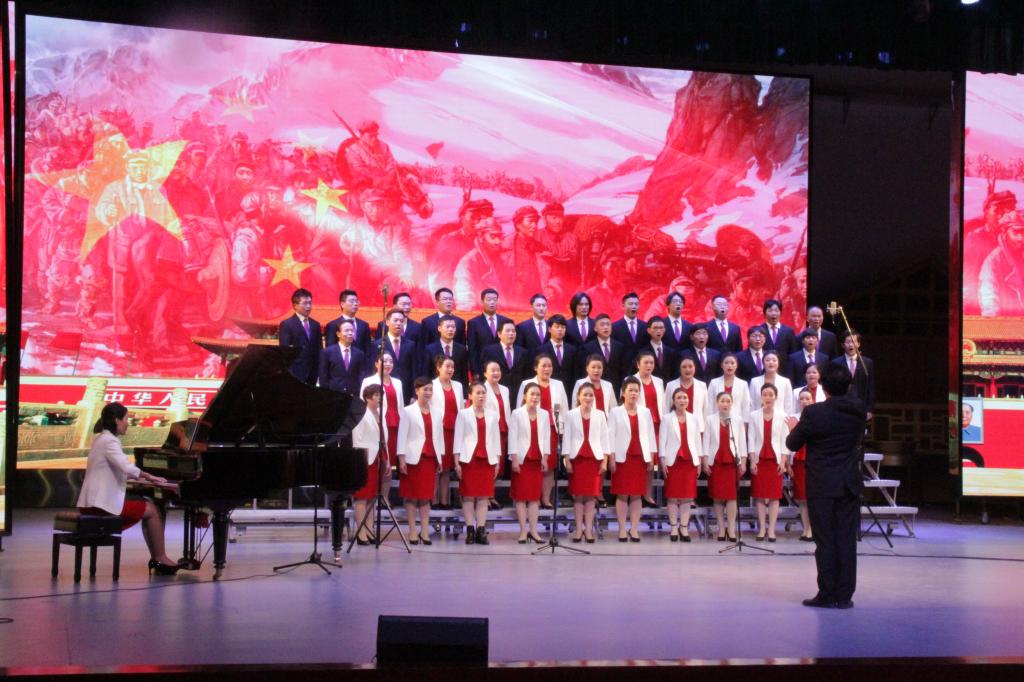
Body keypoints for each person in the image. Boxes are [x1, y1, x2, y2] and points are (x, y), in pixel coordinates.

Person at [786, 365, 867, 609]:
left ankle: (827, 593)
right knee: (846, 539)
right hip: (848, 483)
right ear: (849, 386)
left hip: (822, 484)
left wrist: (793, 428)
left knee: (825, 541)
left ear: (823, 387)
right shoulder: (858, 410)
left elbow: (792, 443)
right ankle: (844, 596)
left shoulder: (814, 413)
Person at [77, 402, 179, 574]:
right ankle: (160, 557)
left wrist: (142, 479)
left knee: (147, 508)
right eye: (126, 419)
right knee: (152, 510)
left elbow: (116, 471)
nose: (127, 423)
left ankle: (157, 558)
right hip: (99, 507)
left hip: (91, 503)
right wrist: (150, 477)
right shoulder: (110, 441)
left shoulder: (101, 439)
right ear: (116, 420)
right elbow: (126, 467)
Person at [516, 354, 569, 508]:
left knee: (549, 465)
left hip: (552, 428)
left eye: (550, 366)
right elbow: (519, 407)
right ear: (536, 368)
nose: (547, 369)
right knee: (534, 465)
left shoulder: (558, 384)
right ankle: (534, 497)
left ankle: (545, 498)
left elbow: (564, 408)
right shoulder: (526, 384)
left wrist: (563, 429)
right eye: (543, 366)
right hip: (531, 429)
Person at [608, 377, 657, 542]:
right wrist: (611, 458)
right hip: (622, 458)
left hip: (640, 458)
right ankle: (622, 529)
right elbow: (610, 436)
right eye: (631, 390)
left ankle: (634, 529)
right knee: (622, 494)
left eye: (636, 390)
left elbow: (650, 435)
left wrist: (651, 457)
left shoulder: (645, 412)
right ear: (623, 393)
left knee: (637, 494)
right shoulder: (615, 412)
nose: (634, 393)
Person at [397, 378, 445, 545]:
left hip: (430, 458)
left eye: (430, 389)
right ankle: (412, 531)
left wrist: (440, 458)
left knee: (426, 496)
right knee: (411, 496)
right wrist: (401, 458)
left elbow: (439, 436)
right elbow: (402, 436)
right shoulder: (408, 411)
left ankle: (424, 531)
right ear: (417, 391)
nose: (428, 392)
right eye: (425, 389)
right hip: (412, 459)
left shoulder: (437, 412)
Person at [563, 382, 611, 543]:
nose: (588, 398)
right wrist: (567, 459)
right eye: (585, 395)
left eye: (591, 395)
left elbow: (604, 438)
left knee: (591, 497)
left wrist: (605, 460)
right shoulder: (571, 414)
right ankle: (578, 530)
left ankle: (589, 530)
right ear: (578, 396)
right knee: (578, 497)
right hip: (577, 459)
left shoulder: (600, 415)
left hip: (594, 459)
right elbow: (567, 438)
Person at [456, 382, 502, 545]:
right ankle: (470, 529)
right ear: (470, 395)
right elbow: (458, 439)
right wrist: (456, 462)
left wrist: (497, 461)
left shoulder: (492, 415)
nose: (481, 395)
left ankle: (481, 530)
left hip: (487, 459)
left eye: (483, 392)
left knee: (483, 495)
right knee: (468, 495)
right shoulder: (463, 414)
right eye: (478, 393)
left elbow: (496, 439)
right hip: (469, 459)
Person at [747, 384, 791, 542]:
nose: (768, 397)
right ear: (761, 397)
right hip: (759, 460)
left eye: (770, 395)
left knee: (774, 497)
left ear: (776, 397)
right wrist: (752, 461)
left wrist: (783, 462)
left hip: (775, 461)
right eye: (765, 394)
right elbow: (751, 439)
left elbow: (785, 441)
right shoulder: (753, 415)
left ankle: (771, 529)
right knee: (759, 496)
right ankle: (761, 529)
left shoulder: (782, 416)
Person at [702, 392, 748, 542]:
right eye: (722, 401)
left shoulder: (737, 420)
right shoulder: (710, 419)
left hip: (732, 462)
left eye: (728, 401)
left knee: (731, 496)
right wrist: (705, 461)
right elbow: (706, 441)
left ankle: (731, 529)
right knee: (717, 496)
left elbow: (742, 442)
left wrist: (743, 461)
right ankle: (721, 528)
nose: (725, 404)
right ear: (717, 403)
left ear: (732, 403)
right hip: (716, 462)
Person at [509, 382, 551, 543]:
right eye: (532, 394)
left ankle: (534, 531)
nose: (535, 397)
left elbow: (546, 437)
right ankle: (523, 531)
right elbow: (512, 438)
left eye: (538, 394)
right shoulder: (517, 413)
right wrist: (514, 459)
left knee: (534, 497)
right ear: (525, 396)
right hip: (521, 460)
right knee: (521, 497)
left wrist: (545, 458)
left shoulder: (544, 414)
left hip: (536, 460)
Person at [659, 388, 703, 542]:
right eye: (679, 397)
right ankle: (673, 527)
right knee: (672, 496)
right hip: (673, 461)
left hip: (689, 462)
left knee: (687, 497)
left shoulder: (693, 418)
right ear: (673, 401)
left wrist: (699, 461)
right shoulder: (667, 418)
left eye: (685, 397)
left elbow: (697, 441)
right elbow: (662, 441)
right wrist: (662, 459)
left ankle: (684, 527)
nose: (682, 400)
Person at [351, 385, 387, 545]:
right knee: (362, 497)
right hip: (365, 460)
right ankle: (361, 532)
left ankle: (370, 529)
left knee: (372, 497)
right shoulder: (361, 414)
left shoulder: (380, 414)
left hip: (378, 459)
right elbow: (357, 440)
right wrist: (362, 460)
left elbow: (384, 439)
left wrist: (386, 459)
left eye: (381, 395)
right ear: (367, 397)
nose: (380, 398)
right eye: (376, 395)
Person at [431, 356, 464, 510]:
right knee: (437, 467)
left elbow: (461, 409)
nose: (450, 369)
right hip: (438, 431)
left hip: (454, 431)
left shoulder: (458, 386)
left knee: (447, 468)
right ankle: (433, 500)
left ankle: (444, 501)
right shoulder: (432, 385)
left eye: (452, 367)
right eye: (447, 366)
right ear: (439, 368)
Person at [632, 349, 665, 505]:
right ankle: (636, 492)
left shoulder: (658, 381)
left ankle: (647, 493)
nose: (649, 365)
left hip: (656, 425)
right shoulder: (631, 380)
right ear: (638, 364)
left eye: (651, 363)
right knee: (639, 460)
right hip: (638, 426)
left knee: (651, 461)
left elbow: (663, 404)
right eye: (646, 362)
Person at [360, 352, 403, 470]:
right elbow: (362, 405)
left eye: (391, 361)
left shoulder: (398, 382)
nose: (388, 364)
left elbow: (401, 406)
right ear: (376, 364)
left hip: (395, 423)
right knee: (378, 458)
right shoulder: (368, 381)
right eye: (384, 361)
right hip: (377, 423)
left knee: (390, 462)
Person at [785, 388, 816, 541]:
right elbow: (788, 442)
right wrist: (788, 463)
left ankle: (812, 529)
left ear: (812, 400)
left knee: (812, 496)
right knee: (802, 498)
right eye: (802, 399)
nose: (804, 401)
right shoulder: (793, 418)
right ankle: (805, 529)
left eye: (807, 398)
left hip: (813, 460)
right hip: (798, 460)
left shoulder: (817, 417)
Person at [278, 287, 321, 386]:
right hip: (295, 373)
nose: (308, 306)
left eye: (310, 303)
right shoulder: (287, 324)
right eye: (305, 303)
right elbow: (285, 351)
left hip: (313, 374)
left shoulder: (315, 325)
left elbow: (319, 350)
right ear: (295, 305)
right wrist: (290, 373)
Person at [481, 320, 530, 405]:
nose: (511, 333)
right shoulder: (489, 351)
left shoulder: (523, 352)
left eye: (513, 331)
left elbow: (526, 374)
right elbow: (483, 373)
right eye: (507, 331)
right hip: (496, 393)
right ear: (499, 334)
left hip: (518, 393)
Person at [467, 288, 512, 377]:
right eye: (489, 299)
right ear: (482, 301)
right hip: (483, 369)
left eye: (494, 300)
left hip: (503, 369)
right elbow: (472, 351)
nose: (492, 302)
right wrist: (475, 373)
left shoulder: (506, 321)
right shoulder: (474, 323)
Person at [580, 313, 627, 395]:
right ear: (595, 328)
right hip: (594, 389)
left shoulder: (620, 347)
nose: (606, 327)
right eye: (602, 325)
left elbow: (624, 370)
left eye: (608, 324)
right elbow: (584, 371)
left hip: (616, 388)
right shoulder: (587, 348)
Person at [832, 331, 875, 420]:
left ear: (858, 344)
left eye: (853, 341)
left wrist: (869, 409)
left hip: (861, 407)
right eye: (848, 342)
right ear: (843, 345)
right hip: (841, 407)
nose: (851, 345)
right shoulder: (835, 363)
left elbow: (871, 387)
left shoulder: (867, 363)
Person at [373, 308, 418, 391]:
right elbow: (373, 369)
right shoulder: (378, 344)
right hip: (384, 388)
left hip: (406, 388)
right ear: (387, 322)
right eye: (395, 320)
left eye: (401, 321)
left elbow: (414, 370)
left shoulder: (411, 345)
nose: (399, 323)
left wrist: (414, 393)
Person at [507, 206, 544, 303]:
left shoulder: (540, 247)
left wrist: (553, 287)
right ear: (518, 224)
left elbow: (552, 273)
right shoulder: (507, 247)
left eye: (535, 222)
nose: (534, 226)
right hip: (515, 300)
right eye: (530, 221)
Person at [318, 319, 365, 395]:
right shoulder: (327, 352)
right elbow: (323, 377)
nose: (350, 333)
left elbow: (361, 375)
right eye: (347, 330)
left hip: (353, 394)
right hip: (333, 394)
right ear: (338, 334)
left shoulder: (359, 354)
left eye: (352, 330)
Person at [421, 314, 469, 387]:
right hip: (436, 388)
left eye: (453, 327)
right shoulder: (430, 349)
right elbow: (426, 373)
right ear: (439, 328)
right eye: (447, 327)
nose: (450, 329)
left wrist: (464, 392)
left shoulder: (462, 349)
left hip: (456, 388)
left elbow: (464, 375)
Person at [664, 356, 708, 436]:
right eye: (684, 367)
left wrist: (706, 430)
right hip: (676, 429)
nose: (687, 370)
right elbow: (666, 408)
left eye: (690, 366)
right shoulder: (670, 385)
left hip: (698, 429)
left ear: (695, 367)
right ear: (679, 368)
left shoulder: (702, 386)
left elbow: (706, 410)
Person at [706, 354, 751, 424]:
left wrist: (745, 423)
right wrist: (710, 422)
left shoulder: (743, 384)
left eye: (732, 363)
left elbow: (746, 406)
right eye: (726, 363)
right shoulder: (714, 383)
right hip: (717, 421)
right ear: (721, 365)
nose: (729, 366)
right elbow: (709, 404)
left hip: (736, 422)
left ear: (736, 365)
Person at [535, 314, 578, 387]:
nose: (560, 330)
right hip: (548, 387)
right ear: (549, 329)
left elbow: (575, 373)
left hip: (569, 388)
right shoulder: (541, 350)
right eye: (557, 327)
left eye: (563, 327)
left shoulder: (572, 350)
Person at [324, 289, 371, 355]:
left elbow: (368, 350)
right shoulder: (333, 325)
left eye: (356, 301)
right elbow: (330, 350)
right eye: (352, 301)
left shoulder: (364, 325)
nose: (355, 304)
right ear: (342, 304)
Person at [612, 292, 649, 367]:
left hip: (641, 367)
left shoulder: (645, 327)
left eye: (636, 304)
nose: (634, 306)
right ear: (623, 306)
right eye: (631, 304)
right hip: (622, 367)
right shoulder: (614, 327)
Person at [641, 316, 678, 383]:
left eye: (661, 328)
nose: (658, 331)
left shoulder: (671, 352)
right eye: (655, 328)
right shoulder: (642, 352)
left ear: (664, 330)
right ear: (648, 330)